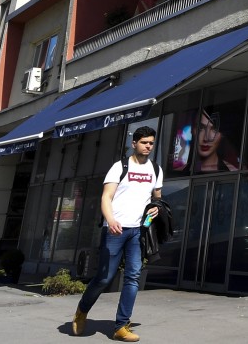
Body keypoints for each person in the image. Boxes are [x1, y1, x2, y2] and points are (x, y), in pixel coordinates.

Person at [73, 126, 163, 341]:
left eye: (151, 143)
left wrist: (156, 206)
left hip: (138, 232)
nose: (148, 146)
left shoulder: (156, 170)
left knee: (133, 277)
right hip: (115, 229)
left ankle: (121, 326)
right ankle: (82, 311)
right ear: (134, 144)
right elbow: (106, 197)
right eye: (144, 142)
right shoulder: (119, 167)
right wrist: (111, 219)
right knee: (104, 278)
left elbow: (157, 197)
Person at [192, 107, 239, 172]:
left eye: (214, 129)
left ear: (222, 134)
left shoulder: (233, 172)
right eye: (201, 128)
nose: (206, 138)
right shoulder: (180, 172)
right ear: (192, 130)